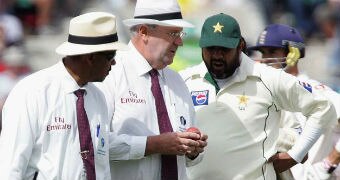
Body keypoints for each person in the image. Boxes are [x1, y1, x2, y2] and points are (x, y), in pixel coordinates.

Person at [179, 13, 336, 180]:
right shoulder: (184, 80)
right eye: (211, 48)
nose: (217, 55)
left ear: (240, 46)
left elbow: (323, 107)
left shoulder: (268, 78)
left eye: (224, 49)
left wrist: (295, 155)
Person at [0, 11, 127, 179]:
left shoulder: (98, 96)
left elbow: (101, 163)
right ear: (90, 57)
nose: (114, 62)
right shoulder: (31, 92)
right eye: (111, 56)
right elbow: (11, 167)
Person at [99, 0, 208, 179]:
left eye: (180, 33)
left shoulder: (177, 80)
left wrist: (193, 150)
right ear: (144, 32)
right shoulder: (110, 73)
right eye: (173, 33)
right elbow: (95, 144)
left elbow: (191, 162)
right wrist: (152, 145)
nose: (180, 42)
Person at [248, 23, 340, 180]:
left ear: (293, 53)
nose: (264, 59)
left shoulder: (316, 90)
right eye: (262, 53)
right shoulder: (261, 92)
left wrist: (328, 164)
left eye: (272, 51)